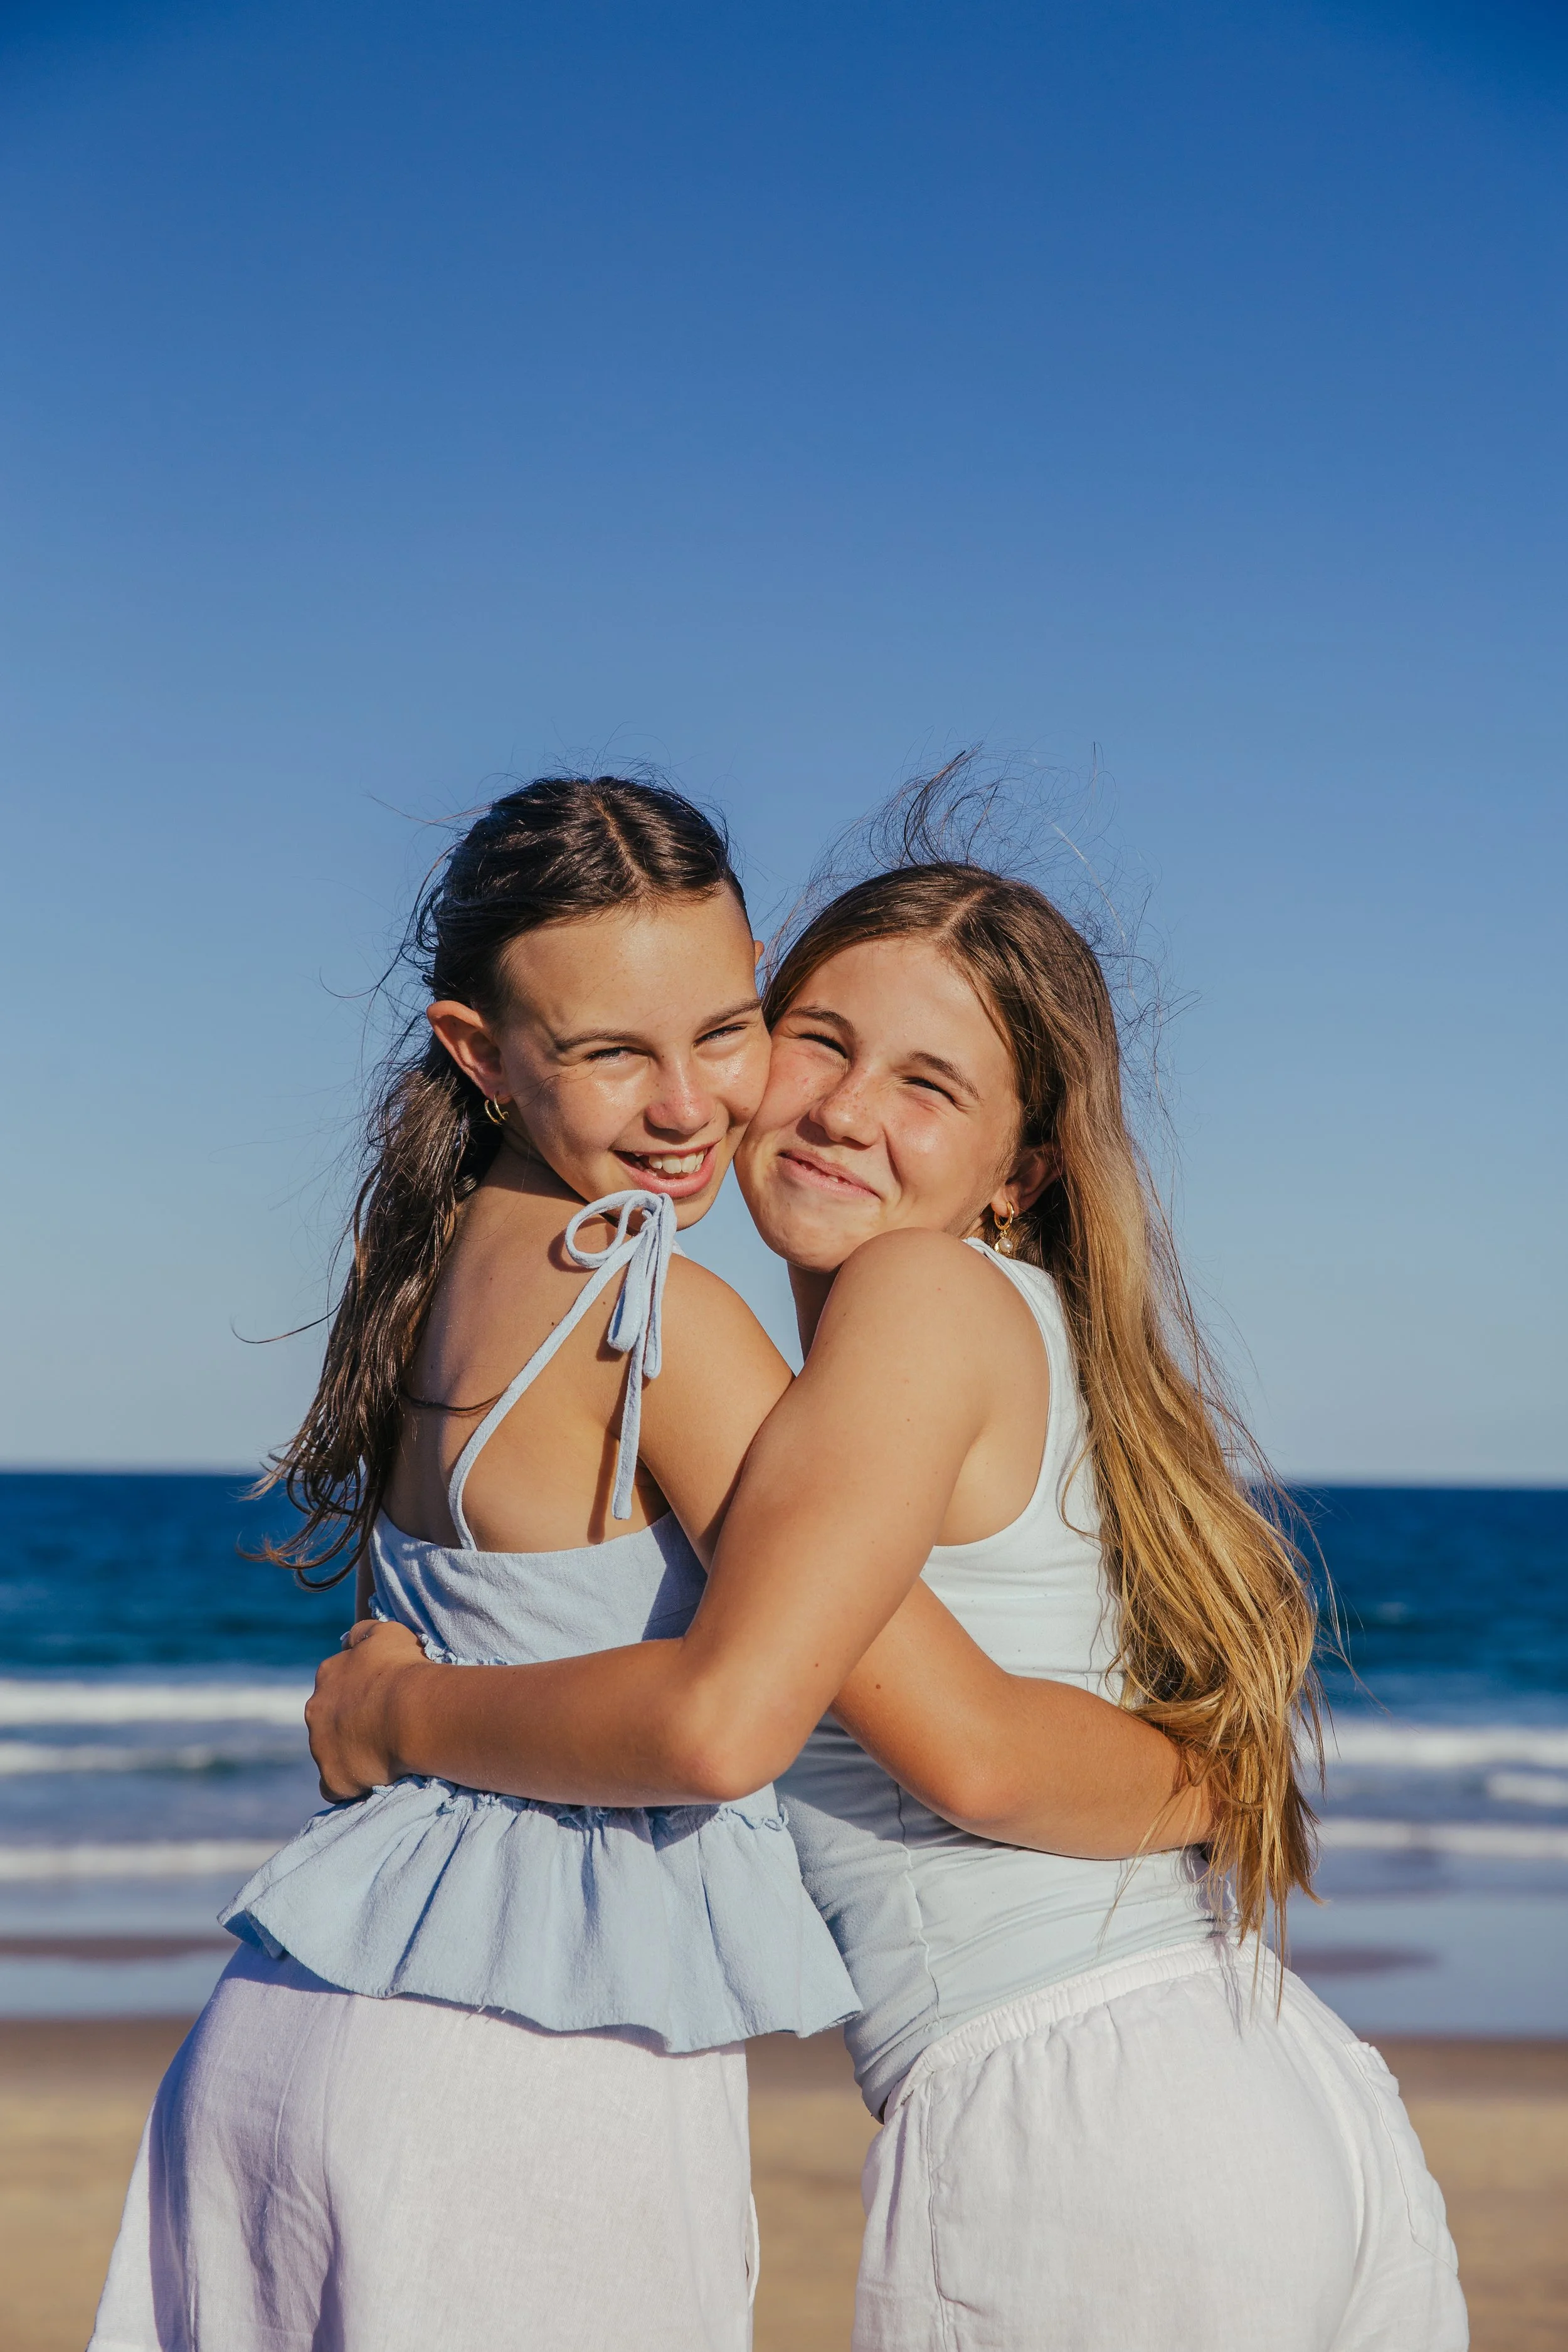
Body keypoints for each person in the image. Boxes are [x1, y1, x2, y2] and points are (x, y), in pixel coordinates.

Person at [311, 776, 1468, 2351]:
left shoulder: (921, 1297)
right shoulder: (976, 1346)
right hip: (1255, 2087)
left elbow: (958, 1749)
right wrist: (1213, 1775)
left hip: (1083, 2112)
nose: (848, 1108)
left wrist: (400, 1717)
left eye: (930, 1083)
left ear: (1023, 1171)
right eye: (822, 1041)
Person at [90, 775, 1204, 2352]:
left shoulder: (426, 1268)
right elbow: (916, 1723)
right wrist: (1211, 1782)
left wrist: (392, 1712)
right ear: (478, 1051)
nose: (689, 1104)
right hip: (520, 2065)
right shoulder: (659, 1318)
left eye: (726, 1026)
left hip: (294, 2031)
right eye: (613, 1051)